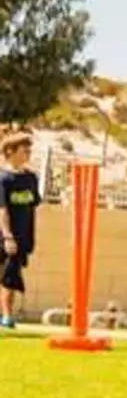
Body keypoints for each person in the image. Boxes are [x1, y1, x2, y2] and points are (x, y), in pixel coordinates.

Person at [0, 131, 41, 329]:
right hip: (6, 236)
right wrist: (7, 236)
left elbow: (32, 207)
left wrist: (28, 236)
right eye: (24, 150)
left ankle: (6, 315)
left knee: (11, 275)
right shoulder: (3, 179)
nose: (28, 154)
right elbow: (2, 210)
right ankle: (7, 315)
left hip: (23, 236)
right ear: (10, 151)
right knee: (7, 275)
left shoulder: (31, 178)